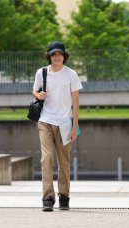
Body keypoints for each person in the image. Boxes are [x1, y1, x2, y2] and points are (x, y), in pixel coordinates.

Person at [32, 41, 83, 211]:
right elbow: (35, 91)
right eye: (54, 54)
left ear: (64, 55)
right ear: (49, 56)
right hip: (45, 121)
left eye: (60, 54)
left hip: (64, 124)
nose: (57, 57)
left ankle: (64, 196)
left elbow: (76, 103)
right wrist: (38, 94)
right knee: (46, 158)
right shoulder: (42, 72)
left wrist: (75, 127)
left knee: (64, 161)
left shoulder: (71, 74)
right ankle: (48, 197)